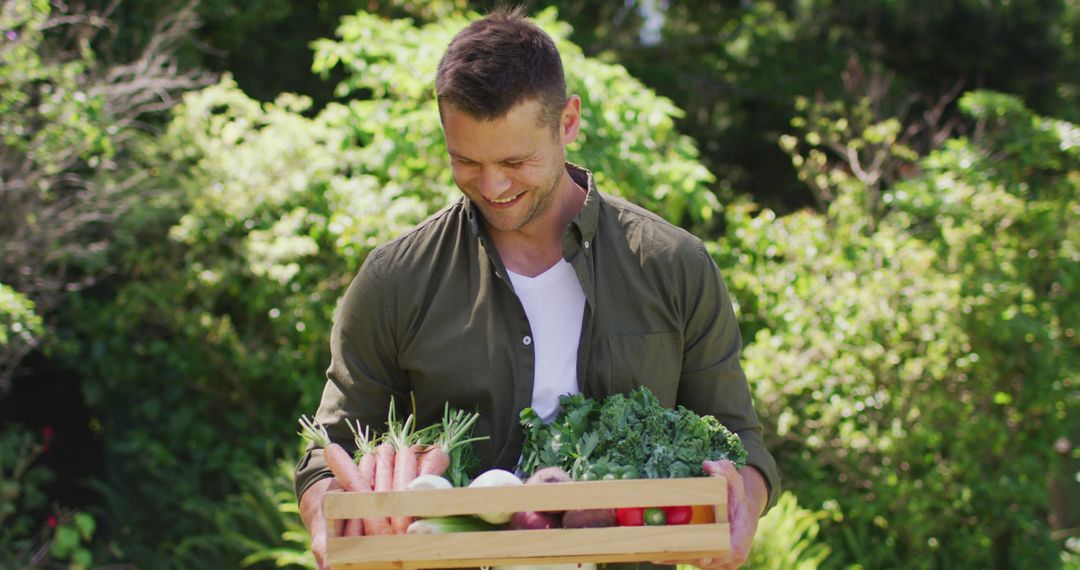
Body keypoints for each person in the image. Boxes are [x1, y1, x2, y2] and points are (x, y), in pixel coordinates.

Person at [295, 7, 780, 570]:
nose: (493, 185)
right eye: (466, 161)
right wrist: (328, 513)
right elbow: (329, 448)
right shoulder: (395, 279)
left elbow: (741, 442)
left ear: (567, 122)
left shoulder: (674, 265)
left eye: (516, 161)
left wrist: (744, 498)